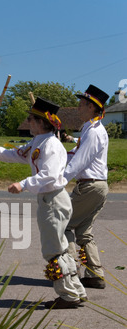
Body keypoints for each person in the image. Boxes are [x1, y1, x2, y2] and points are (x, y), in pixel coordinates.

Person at [0, 97, 87, 309]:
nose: (28, 122)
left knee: (54, 249)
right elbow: (13, 154)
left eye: (31, 119)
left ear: (43, 122)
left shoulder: (51, 144)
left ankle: (68, 296)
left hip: (53, 199)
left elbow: (50, 175)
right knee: (59, 247)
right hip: (49, 199)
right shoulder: (38, 141)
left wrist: (23, 184)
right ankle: (75, 291)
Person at [64, 85, 109, 289]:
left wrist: (58, 181)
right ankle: (94, 275)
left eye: (82, 105)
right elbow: (73, 154)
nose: (78, 108)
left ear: (92, 108)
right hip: (98, 187)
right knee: (83, 232)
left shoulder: (93, 132)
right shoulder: (90, 129)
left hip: (89, 186)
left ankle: (71, 273)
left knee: (62, 224)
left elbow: (79, 162)